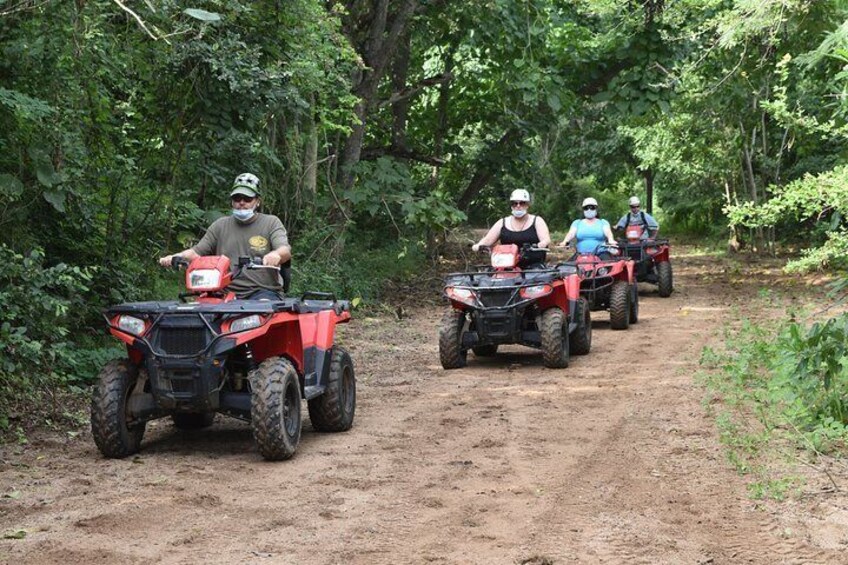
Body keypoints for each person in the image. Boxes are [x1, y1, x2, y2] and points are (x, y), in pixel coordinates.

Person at [158, 173, 291, 300]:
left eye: (247, 198)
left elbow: (285, 251)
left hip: (262, 292)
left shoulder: (271, 222)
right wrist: (176, 256)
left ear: (257, 201)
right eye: (237, 198)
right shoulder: (220, 225)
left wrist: (276, 255)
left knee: (261, 314)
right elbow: (196, 252)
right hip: (223, 293)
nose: (242, 202)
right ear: (232, 201)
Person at [471, 189, 552, 254]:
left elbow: (546, 239)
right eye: (514, 203)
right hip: (506, 265)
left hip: (533, 266)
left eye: (522, 203)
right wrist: (479, 245)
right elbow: (488, 240)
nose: (518, 206)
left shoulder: (537, 221)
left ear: (527, 205)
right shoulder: (502, 222)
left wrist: (540, 245)